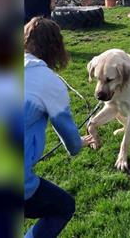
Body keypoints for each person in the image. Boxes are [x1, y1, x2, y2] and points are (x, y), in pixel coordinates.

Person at [24, 17, 93, 238]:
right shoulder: (49, 82)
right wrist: (79, 143)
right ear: (56, 48)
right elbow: (72, 144)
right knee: (63, 207)